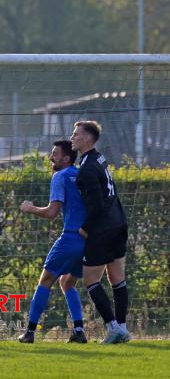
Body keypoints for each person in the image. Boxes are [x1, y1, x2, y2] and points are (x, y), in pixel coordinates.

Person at [17, 140, 88, 344]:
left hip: (71, 237)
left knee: (46, 280)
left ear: (66, 158)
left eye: (55, 154)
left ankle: (29, 332)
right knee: (67, 282)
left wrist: (30, 208)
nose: (51, 157)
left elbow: (52, 212)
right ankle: (79, 330)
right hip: (87, 239)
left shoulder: (60, 176)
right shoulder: (82, 174)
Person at [70, 120, 130, 344]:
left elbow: (96, 205)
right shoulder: (99, 158)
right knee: (117, 279)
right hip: (119, 223)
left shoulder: (86, 169)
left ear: (86, 139)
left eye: (76, 134)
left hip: (102, 229)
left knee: (91, 279)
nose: (72, 137)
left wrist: (85, 228)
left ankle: (113, 328)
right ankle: (123, 328)